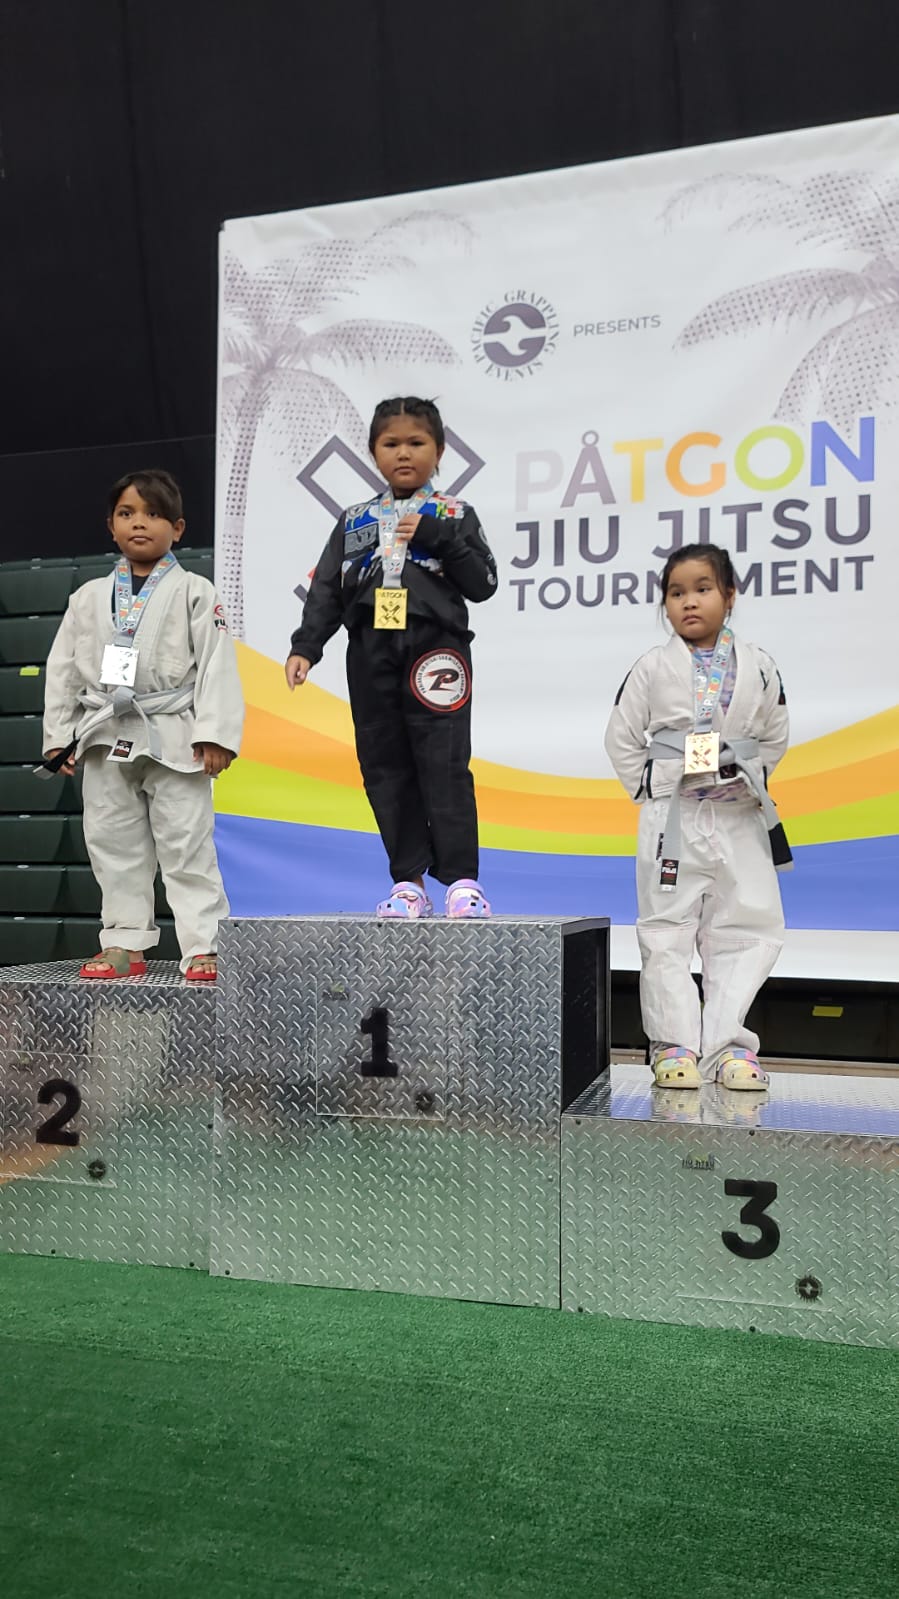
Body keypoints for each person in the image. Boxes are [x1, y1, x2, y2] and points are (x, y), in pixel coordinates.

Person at [285, 396, 496, 918]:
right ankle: (408, 883)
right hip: (371, 648)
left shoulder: (454, 513)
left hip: (437, 649)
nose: (404, 453)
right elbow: (327, 588)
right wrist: (306, 646)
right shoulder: (355, 519)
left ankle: (463, 883)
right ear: (374, 453)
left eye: (417, 443)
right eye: (391, 444)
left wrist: (439, 537)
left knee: (444, 763)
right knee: (383, 763)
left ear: (440, 450)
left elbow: (483, 584)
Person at [42, 469, 244, 980]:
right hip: (105, 731)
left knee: (186, 842)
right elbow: (63, 667)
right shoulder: (88, 596)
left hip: (173, 730)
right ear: (110, 526)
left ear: (178, 528)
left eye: (154, 514)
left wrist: (214, 733)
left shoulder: (196, 590)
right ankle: (124, 940)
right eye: (127, 513)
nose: (140, 523)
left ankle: (205, 944)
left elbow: (218, 663)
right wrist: (60, 737)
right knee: (112, 842)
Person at [604, 543, 790, 1091]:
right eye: (676, 593)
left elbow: (774, 733)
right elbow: (622, 737)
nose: (689, 603)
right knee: (667, 931)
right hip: (674, 817)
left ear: (730, 596)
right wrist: (655, 788)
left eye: (703, 589)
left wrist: (749, 779)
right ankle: (673, 1046)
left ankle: (729, 1047)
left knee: (746, 928)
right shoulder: (651, 666)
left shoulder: (759, 664)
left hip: (738, 816)